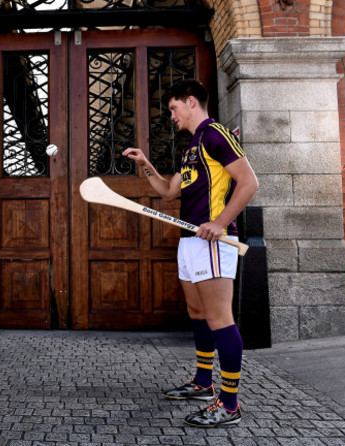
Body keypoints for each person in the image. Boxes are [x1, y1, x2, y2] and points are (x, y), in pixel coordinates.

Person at [123, 79, 258, 427]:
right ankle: (202, 382)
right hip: (190, 240)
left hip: (214, 241)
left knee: (220, 320)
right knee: (197, 313)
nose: (172, 116)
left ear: (192, 101)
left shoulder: (216, 134)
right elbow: (169, 192)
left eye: (173, 108)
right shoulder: (191, 147)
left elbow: (249, 182)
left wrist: (220, 222)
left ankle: (229, 405)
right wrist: (146, 164)